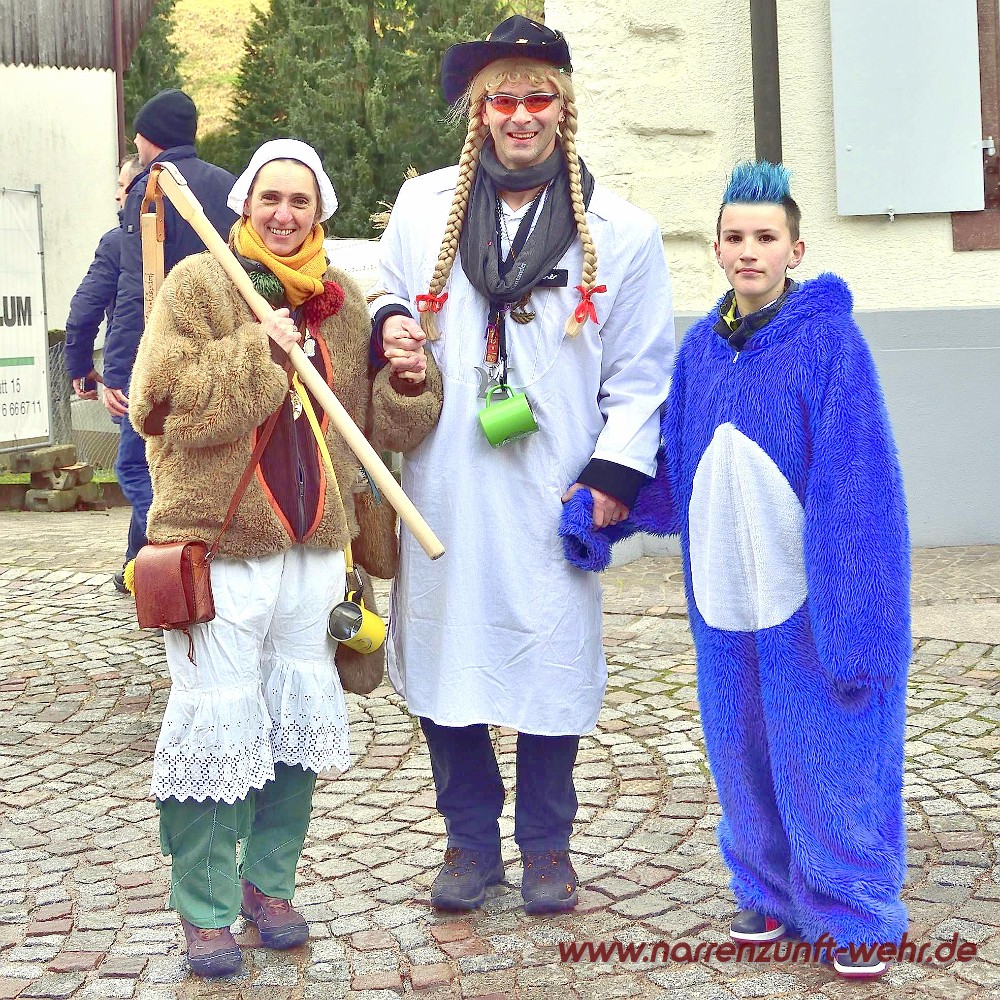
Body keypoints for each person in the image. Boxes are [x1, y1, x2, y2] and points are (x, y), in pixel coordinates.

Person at [561, 161, 910, 980]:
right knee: (741, 746)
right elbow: (679, 464)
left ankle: (853, 904)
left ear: (795, 249)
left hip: (808, 599)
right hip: (723, 596)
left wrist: (860, 621)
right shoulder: (700, 353)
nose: (749, 251)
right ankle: (767, 888)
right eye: (734, 237)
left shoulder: (829, 344)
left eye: (765, 237)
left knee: (825, 747)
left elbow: (860, 482)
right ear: (716, 249)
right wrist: (604, 507)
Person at [369, 16, 674, 915]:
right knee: (446, 657)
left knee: (551, 664)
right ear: (480, 111)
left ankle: (546, 848)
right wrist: (393, 326)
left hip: (553, 484)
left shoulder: (622, 231)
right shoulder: (424, 206)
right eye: (502, 99)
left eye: (538, 98)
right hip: (448, 482)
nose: (520, 115)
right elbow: (386, 289)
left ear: (564, 108)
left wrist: (611, 477)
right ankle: (469, 842)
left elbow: (642, 372)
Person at [128, 138, 442, 978]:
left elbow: (376, 430)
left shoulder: (341, 303)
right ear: (244, 205)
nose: (283, 213)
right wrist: (257, 352)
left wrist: (410, 379)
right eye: (270, 197)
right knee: (213, 721)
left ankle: (269, 886)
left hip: (315, 548)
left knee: (294, 724)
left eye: (300, 200)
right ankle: (204, 910)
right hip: (221, 543)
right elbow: (160, 404)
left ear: (320, 212)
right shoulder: (202, 284)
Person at [103, 89, 238, 587]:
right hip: (223, 347)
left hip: (162, 353)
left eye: (138, 137)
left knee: (136, 467)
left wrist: (118, 372)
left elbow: (134, 288)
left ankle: (187, 554)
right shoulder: (228, 185)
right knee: (203, 460)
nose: (136, 146)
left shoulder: (152, 188)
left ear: (150, 137)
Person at [64, 154, 143, 591]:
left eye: (122, 186)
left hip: (135, 374)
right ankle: (137, 565)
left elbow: (85, 309)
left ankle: (166, 560)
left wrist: (81, 366)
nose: (116, 195)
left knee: (137, 469)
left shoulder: (118, 242)